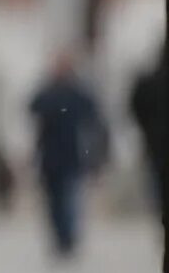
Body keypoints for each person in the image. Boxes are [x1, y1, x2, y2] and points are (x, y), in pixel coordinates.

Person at [27, 52, 110, 261]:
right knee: (55, 201)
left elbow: (93, 116)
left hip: (71, 155)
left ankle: (68, 237)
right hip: (51, 157)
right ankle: (60, 237)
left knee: (69, 198)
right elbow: (32, 108)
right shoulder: (48, 92)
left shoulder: (76, 93)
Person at [131, 50, 167, 222]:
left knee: (158, 183)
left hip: (154, 143)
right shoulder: (149, 82)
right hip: (156, 142)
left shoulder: (147, 81)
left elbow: (135, 106)